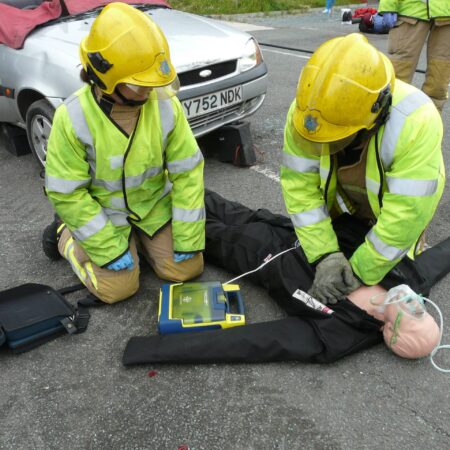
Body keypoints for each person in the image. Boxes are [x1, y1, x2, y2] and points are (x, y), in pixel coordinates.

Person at [42, 2, 205, 303]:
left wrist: (188, 236)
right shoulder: (72, 116)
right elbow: (67, 192)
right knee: (117, 289)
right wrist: (106, 245)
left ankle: (141, 241)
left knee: (186, 270)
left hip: (151, 207)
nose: (149, 90)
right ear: (105, 78)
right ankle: (64, 236)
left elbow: (188, 172)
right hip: (104, 214)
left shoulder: (166, 106)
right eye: (138, 83)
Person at [280, 33, 445, 305]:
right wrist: (324, 255)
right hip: (347, 198)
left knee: (400, 269)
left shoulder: (416, 122)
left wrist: (360, 271)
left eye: (338, 138)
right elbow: (300, 188)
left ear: (376, 114)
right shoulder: (308, 115)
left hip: (397, 206)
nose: (328, 144)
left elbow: (406, 213)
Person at [376, 0, 450, 112]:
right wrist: (388, 5)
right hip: (411, 12)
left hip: (446, 15)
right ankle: (387, 119)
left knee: (439, 80)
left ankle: (429, 125)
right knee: (398, 78)